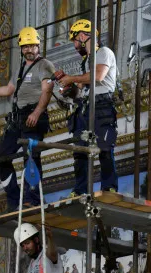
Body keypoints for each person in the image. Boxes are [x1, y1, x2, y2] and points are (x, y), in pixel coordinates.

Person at [0, 27, 55, 210]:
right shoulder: (21, 68)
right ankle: (15, 200)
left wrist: (36, 113)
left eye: (32, 46)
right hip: (17, 119)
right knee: (0, 158)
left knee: (31, 157)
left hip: (33, 116)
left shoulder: (45, 65)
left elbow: (47, 90)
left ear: (38, 46)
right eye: (25, 46)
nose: (29, 50)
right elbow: (8, 90)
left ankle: (32, 199)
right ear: (21, 48)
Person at [55, 19, 119, 195]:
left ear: (83, 36)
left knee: (105, 148)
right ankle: (80, 189)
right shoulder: (86, 62)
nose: (75, 45)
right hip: (86, 107)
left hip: (102, 106)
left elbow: (98, 76)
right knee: (80, 151)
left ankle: (109, 187)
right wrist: (68, 89)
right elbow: (80, 90)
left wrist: (72, 78)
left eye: (75, 40)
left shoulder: (104, 52)